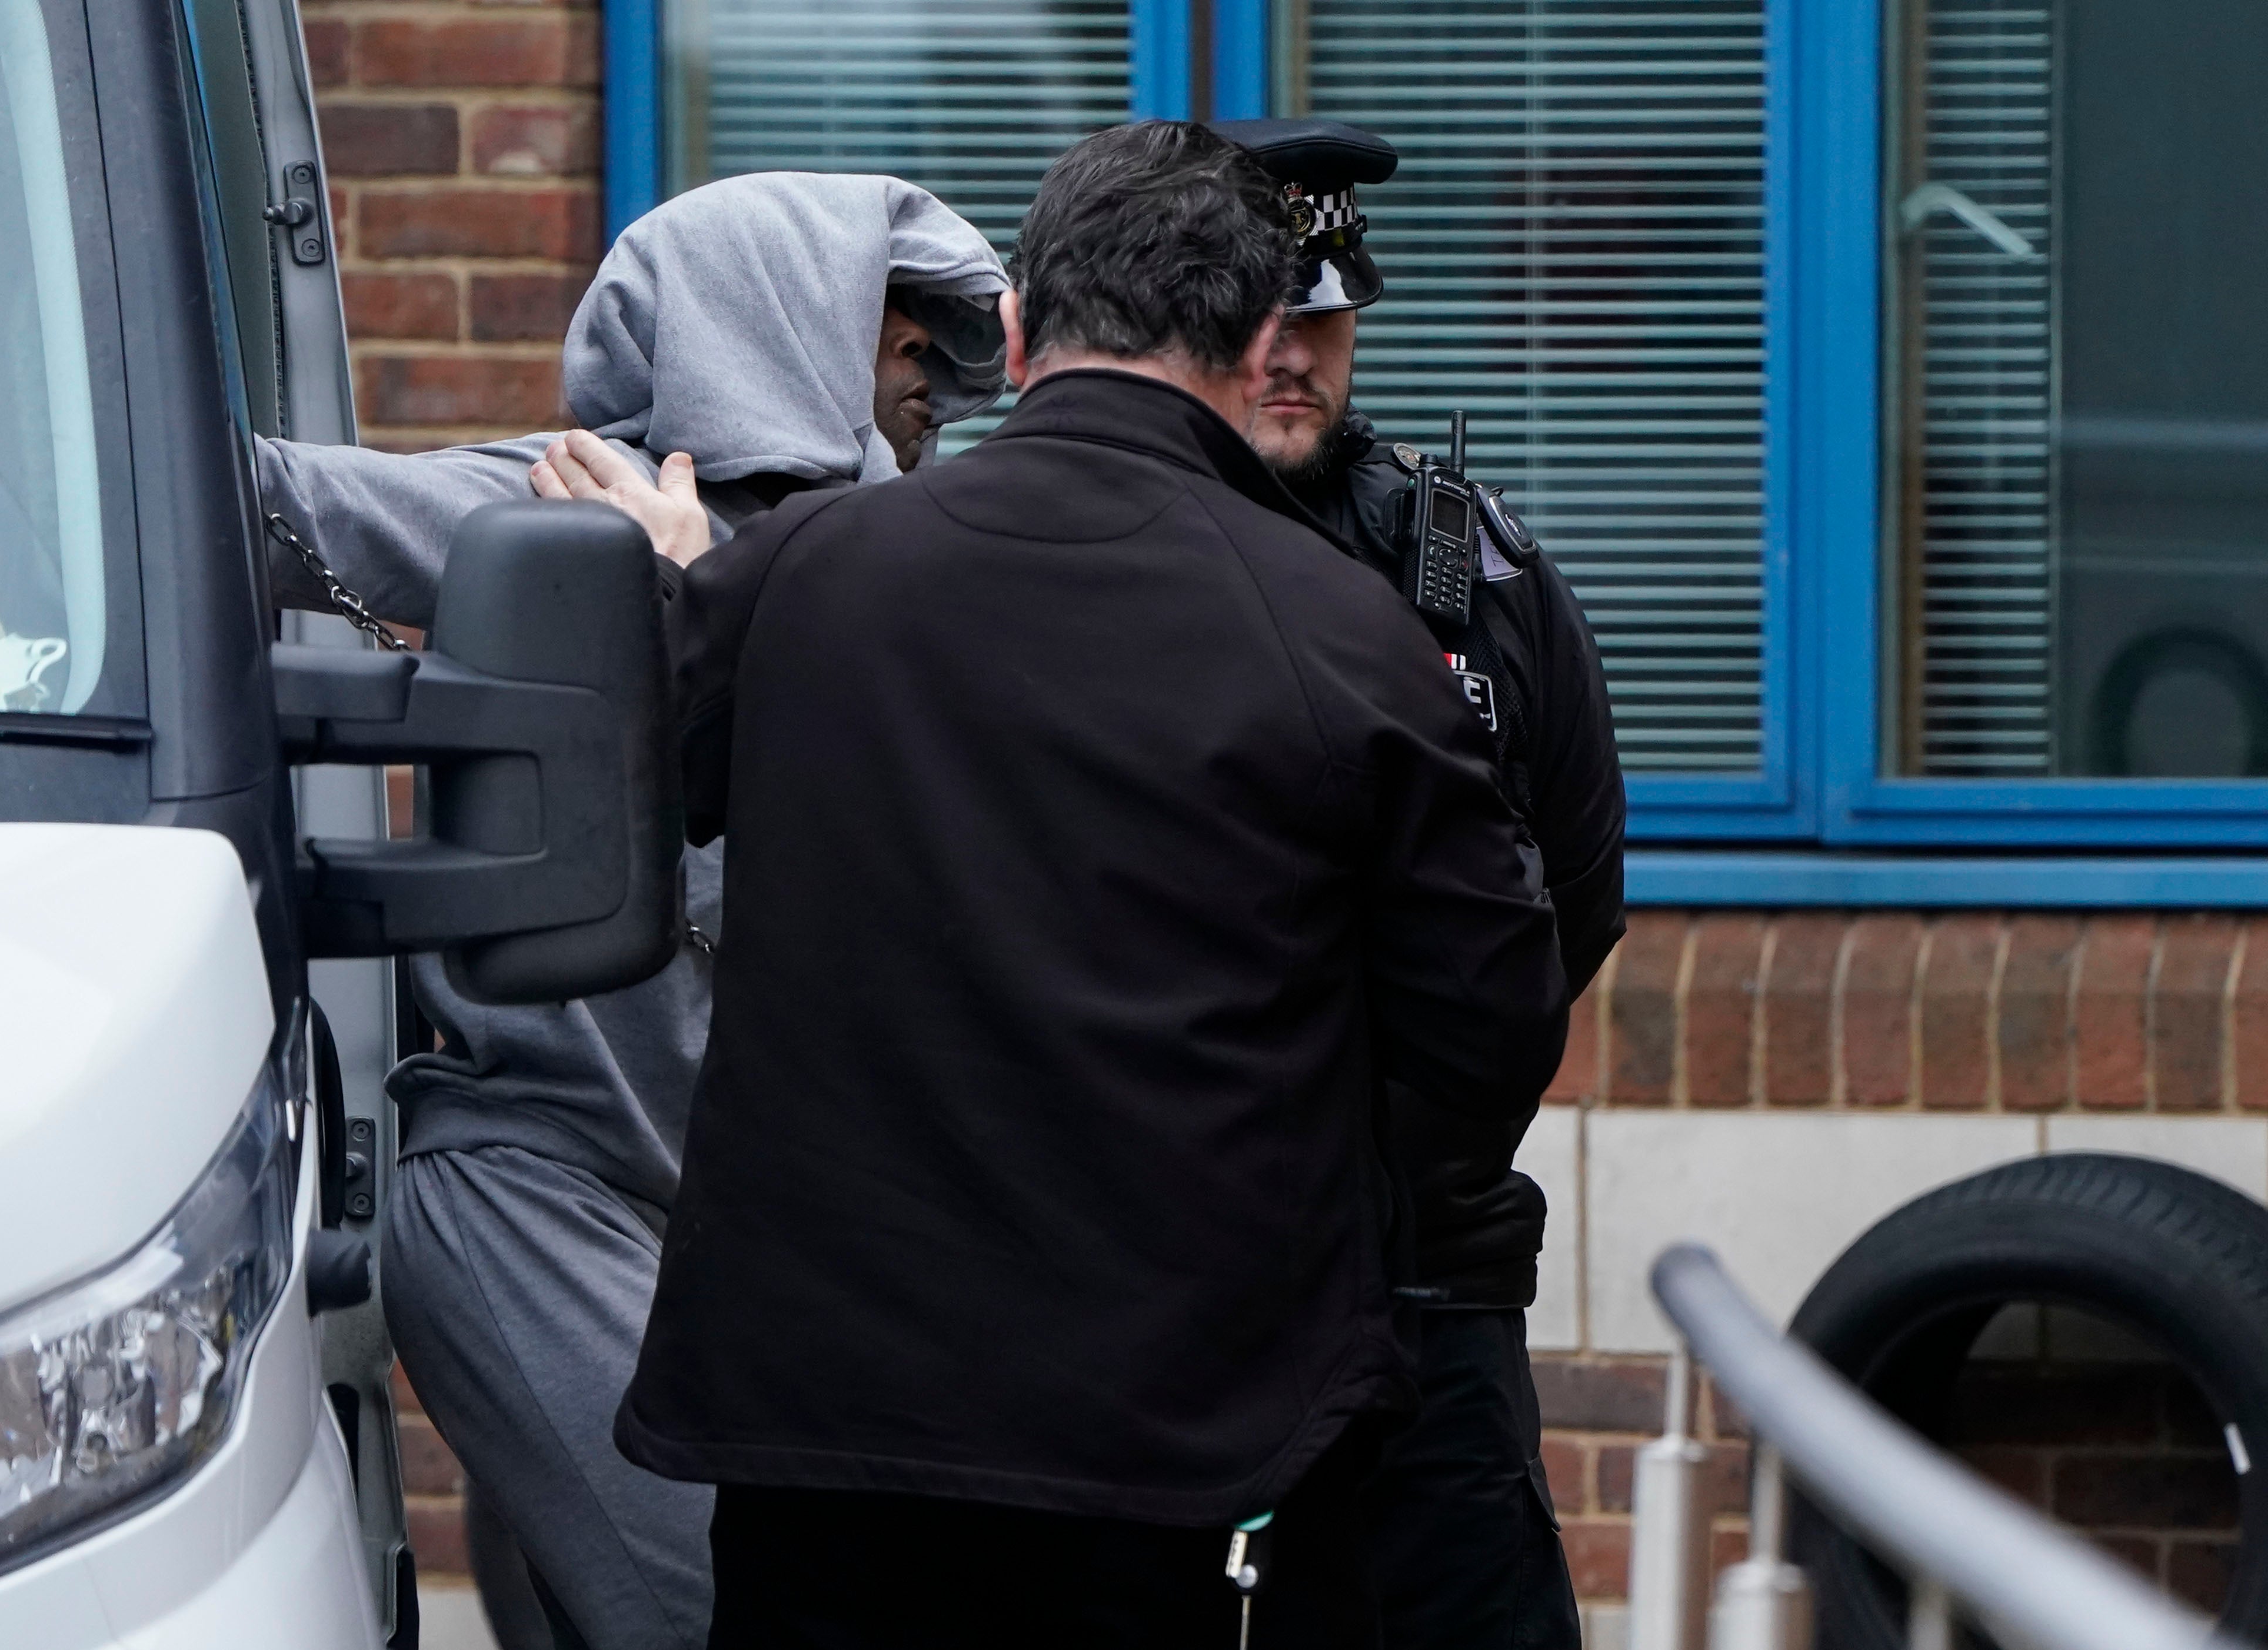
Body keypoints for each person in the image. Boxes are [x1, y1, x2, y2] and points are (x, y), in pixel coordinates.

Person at [612, 119, 1571, 1648]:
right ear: (1250, 330)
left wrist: (668, 588)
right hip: (1179, 1444)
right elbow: (1491, 1029)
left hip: (826, 1438)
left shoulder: (800, 577)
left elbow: (620, 810)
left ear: (1013, 324)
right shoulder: (1343, 633)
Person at [258, 172, 1010, 1650]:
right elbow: (251, 499)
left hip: (758, 1256)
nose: (932, 376)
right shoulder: (563, 510)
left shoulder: (909, 563)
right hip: (552, 1209)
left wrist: (721, 586)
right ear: (770, 325)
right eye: (901, 331)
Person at [1214, 117, 1627, 1650]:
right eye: (1253, 316)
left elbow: (1571, 892)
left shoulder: (1478, 570)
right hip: (1160, 1304)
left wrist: (1417, 1128)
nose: (1288, 354)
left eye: (1319, 316)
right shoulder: (1089, 550)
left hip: (1428, 1301)